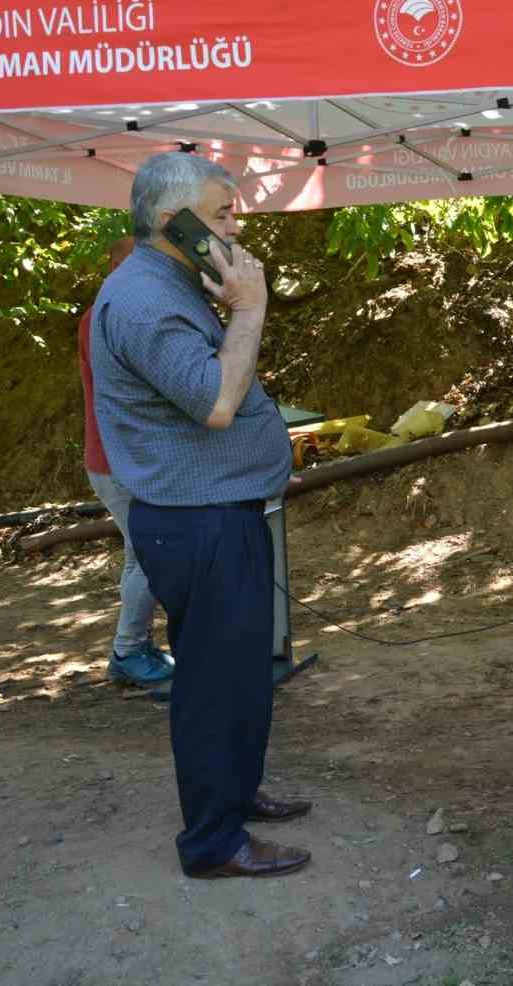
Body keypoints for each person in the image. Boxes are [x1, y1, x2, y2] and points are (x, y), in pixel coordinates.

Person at [90, 152, 311, 880]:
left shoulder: (170, 282)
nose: (235, 227)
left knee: (242, 672)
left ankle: (236, 797)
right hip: (197, 520)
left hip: (216, 513)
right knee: (214, 686)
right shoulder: (144, 299)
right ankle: (213, 843)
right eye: (220, 214)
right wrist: (250, 307)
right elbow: (216, 402)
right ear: (170, 222)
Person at [78, 235, 173, 688]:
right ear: (119, 267)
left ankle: (137, 646)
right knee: (150, 554)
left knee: (145, 555)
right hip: (119, 460)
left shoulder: (109, 313)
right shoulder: (105, 317)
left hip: (126, 457)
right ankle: (129, 650)